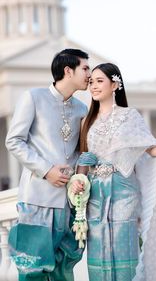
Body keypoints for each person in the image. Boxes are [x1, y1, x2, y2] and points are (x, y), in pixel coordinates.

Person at [70, 63, 156, 281]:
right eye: (91, 82)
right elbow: (84, 158)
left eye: (100, 81)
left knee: (123, 245)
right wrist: (78, 180)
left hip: (123, 189)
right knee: (98, 248)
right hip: (95, 194)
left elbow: (150, 147)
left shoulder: (130, 116)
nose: (93, 86)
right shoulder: (86, 121)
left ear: (115, 84)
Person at [5, 48, 90, 281]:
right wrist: (47, 170)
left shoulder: (82, 109)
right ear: (67, 70)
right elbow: (14, 141)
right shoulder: (33, 97)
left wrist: (77, 178)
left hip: (69, 201)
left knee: (64, 269)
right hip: (37, 198)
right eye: (85, 68)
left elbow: (79, 152)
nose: (89, 74)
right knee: (33, 269)